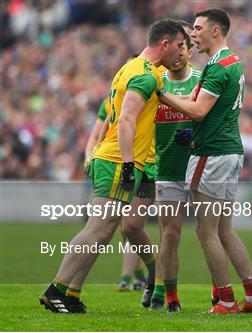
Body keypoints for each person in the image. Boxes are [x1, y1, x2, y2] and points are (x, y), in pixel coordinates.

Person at [39, 19, 185, 313]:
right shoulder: (144, 75)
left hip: (116, 158)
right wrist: (130, 165)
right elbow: (127, 119)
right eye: (180, 45)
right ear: (164, 44)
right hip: (119, 159)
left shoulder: (133, 68)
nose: (182, 52)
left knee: (105, 230)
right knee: (99, 228)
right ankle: (56, 289)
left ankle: (71, 293)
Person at [157, 8, 252, 314]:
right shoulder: (232, 62)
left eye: (197, 28)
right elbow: (199, 105)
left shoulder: (218, 68)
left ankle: (227, 300)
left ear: (215, 31)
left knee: (206, 231)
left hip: (212, 154)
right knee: (224, 230)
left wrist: (160, 93)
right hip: (230, 151)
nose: (192, 34)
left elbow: (198, 111)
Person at [148, 21, 201, 313]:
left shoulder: (202, 80)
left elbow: (213, 120)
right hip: (166, 167)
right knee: (170, 233)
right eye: (176, 46)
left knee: (210, 233)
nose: (179, 52)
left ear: (191, 52)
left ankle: (220, 293)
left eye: (184, 47)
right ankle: (169, 297)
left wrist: (196, 133)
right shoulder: (155, 81)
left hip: (197, 166)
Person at [83, 95, 147, 292]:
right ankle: (137, 276)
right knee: (115, 226)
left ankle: (129, 277)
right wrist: (90, 157)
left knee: (128, 225)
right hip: (118, 164)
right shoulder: (112, 100)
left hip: (141, 165)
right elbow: (98, 134)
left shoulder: (151, 92)